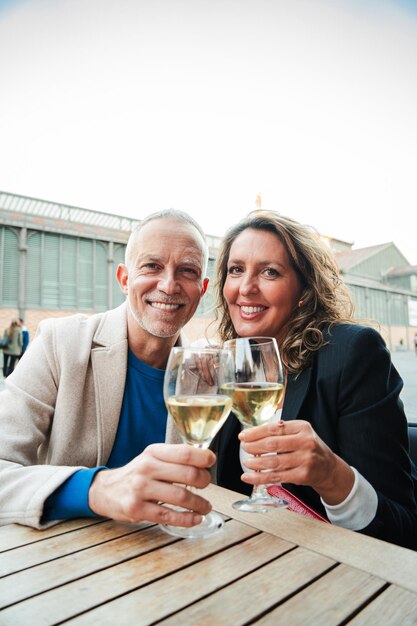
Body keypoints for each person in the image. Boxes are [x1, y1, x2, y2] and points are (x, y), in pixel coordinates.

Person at [213, 210, 417, 550]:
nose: (246, 287)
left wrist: (331, 475)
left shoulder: (352, 353)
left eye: (269, 272)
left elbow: (404, 529)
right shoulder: (232, 363)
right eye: (236, 270)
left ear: (304, 290)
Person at [0, 209, 215, 529]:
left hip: (172, 556)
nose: (169, 285)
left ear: (202, 287)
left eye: (187, 271)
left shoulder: (208, 375)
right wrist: (96, 489)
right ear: (124, 279)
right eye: (152, 266)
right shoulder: (60, 344)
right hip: (63, 559)